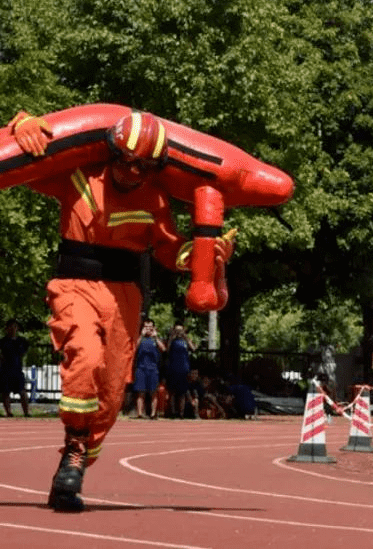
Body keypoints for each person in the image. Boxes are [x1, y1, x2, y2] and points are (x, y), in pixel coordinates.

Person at [4, 108, 235, 511]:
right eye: (127, 160)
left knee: (110, 397)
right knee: (85, 358)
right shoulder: (76, 176)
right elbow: (22, 166)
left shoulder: (156, 199)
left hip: (124, 298)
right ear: (112, 153)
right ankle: (75, 447)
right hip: (74, 285)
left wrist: (204, 256)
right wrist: (18, 125)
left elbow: (168, 249)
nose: (133, 170)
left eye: (144, 165)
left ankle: (70, 471)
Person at [132, 319, 165, 419]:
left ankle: (153, 413)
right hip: (141, 368)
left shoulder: (155, 339)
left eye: (150, 327)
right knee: (140, 391)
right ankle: (139, 413)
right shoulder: (140, 338)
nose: (148, 329)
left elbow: (163, 349)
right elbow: (134, 348)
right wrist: (141, 335)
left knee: (153, 392)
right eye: (146, 327)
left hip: (153, 369)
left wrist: (155, 336)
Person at [165, 323, 198, 418]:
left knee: (182, 392)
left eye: (180, 330)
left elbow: (193, 348)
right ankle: (172, 412)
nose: (179, 332)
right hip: (173, 368)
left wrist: (186, 338)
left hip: (184, 369)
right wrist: (171, 337)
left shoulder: (185, 340)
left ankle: (181, 413)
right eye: (177, 330)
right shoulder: (172, 340)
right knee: (172, 392)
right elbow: (166, 350)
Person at [1, 318, 31, 417]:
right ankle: (8, 412)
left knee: (22, 391)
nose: (12, 329)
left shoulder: (21, 341)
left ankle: (26, 412)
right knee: (5, 392)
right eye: (10, 327)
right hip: (5, 370)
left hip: (17, 369)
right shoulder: (3, 341)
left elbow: (24, 351)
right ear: (6, 328)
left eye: (14, 327)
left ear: (17, 328)